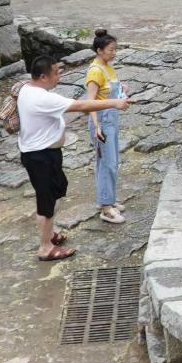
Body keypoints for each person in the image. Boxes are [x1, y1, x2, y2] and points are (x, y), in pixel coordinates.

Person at [16, 53, 128, 261]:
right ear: (42, 77)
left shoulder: (25, 88)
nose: (59, 77)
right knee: (46, 202)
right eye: (56, 73)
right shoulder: (43, 98)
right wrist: (114, 103)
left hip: (43, 153)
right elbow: (81, 105)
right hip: (40, 156)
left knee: (55, 192)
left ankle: (49, 235)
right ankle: (45, 247)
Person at [84, 30, 127, 225]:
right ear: (99, 50)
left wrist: (122, 88)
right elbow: (90, 102)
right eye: (111, 50)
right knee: (106, 163)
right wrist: (96, 127)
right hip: (102, 121)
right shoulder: (95, 72)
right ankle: (106, 208)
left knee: (111, 161)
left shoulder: (107, 66)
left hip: (112, 118)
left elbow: (109, 88)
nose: (114, 53)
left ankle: (106, 198)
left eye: (115, 49)